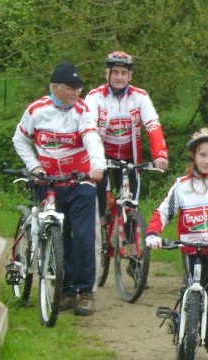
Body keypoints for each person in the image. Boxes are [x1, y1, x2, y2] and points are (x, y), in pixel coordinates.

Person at [144, 128, 208, 360]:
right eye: (203, 155)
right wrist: (153, 233)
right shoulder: (181, 185)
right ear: (194, 155)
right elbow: (162, 212)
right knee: (205, 303)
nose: (207, 160)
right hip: (192, 251)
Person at [12, 61, 106, 315]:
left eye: (79, 87)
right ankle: (65, 290)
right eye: (70, 87)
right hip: (50, 183)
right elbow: (20, 138)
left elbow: (92, 138)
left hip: (80, 181)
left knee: (84, 238)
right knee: (59, 237)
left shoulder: (83, 110)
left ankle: (86, 292)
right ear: (55, 86)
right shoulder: (36, 110)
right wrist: (34, 167)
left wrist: (97, 166)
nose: (76, 92)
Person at [85, 51, 169, 221]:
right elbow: (89, 128)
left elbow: (153, 125)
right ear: (107, 74)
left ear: (130, 76)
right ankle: (100, 237)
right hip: (102, 157)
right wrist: (95, 162)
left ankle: (129, 241)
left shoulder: (140, 97)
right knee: (100, 208)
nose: (119, 77)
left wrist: (160, 154)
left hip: (129, 158)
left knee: (131, 206)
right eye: (115, 72)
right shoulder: (95, 97)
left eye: (124, 73)